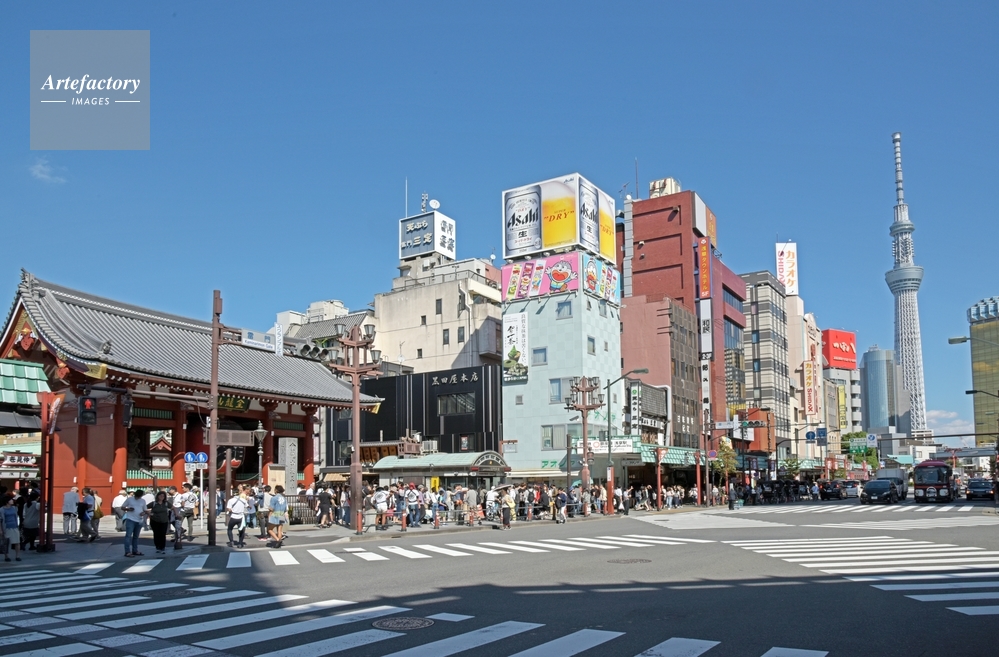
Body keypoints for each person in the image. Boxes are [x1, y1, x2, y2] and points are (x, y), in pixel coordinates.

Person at [121, 489, 148, 557]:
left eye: (140, 496)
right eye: (137, 496)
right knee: (128, 536)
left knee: (136, 536)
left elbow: (145, 510)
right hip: (130, 519)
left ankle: (135, 550)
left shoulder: (143, 501)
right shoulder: (130, 499)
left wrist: (143, 513)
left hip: (139, 520)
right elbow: (122, 507)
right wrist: (128, 509)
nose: (138, 497)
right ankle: (127, 551)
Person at [1, 494, 21, 562]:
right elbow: (1, 520)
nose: (12, 500)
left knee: (17, 542)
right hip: (6, 527)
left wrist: (17, 525)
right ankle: (6, 556)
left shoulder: (14, 508)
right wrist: (1, 529)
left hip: (14, 526)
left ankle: (17, 556)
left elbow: (16, 517)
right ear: (7, 501)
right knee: (6, 543)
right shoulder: (1, 510)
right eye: (11, 500)